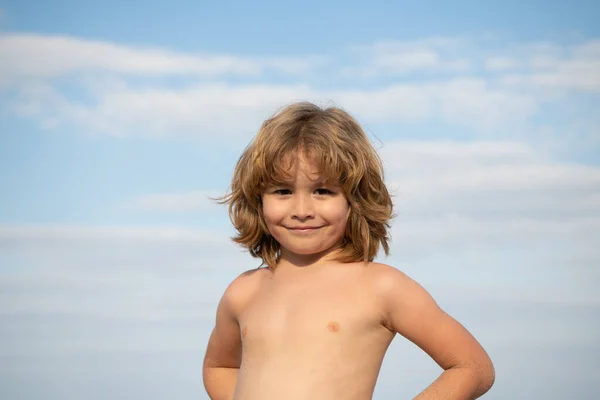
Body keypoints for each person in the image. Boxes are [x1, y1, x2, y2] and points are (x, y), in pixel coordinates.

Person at [202, 102, 495, 400]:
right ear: (257, 199)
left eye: (323, 191)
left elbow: (471, 366)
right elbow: (220, 367)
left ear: (355, 199)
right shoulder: (243, 292)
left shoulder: (381, 286)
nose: (301, 210)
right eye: (283, 191)